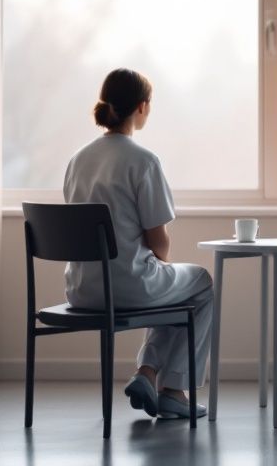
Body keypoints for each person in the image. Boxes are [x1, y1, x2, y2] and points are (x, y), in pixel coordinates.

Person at [63, 68, 212, 419]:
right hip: (127, 286)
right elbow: (157, 240)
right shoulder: (143, 161)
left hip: (81, 289)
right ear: (142, 107)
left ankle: (147, 374)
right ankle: (173, 389)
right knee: (199, 283)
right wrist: (161, 262)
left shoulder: (78, 160)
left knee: (169, 286)